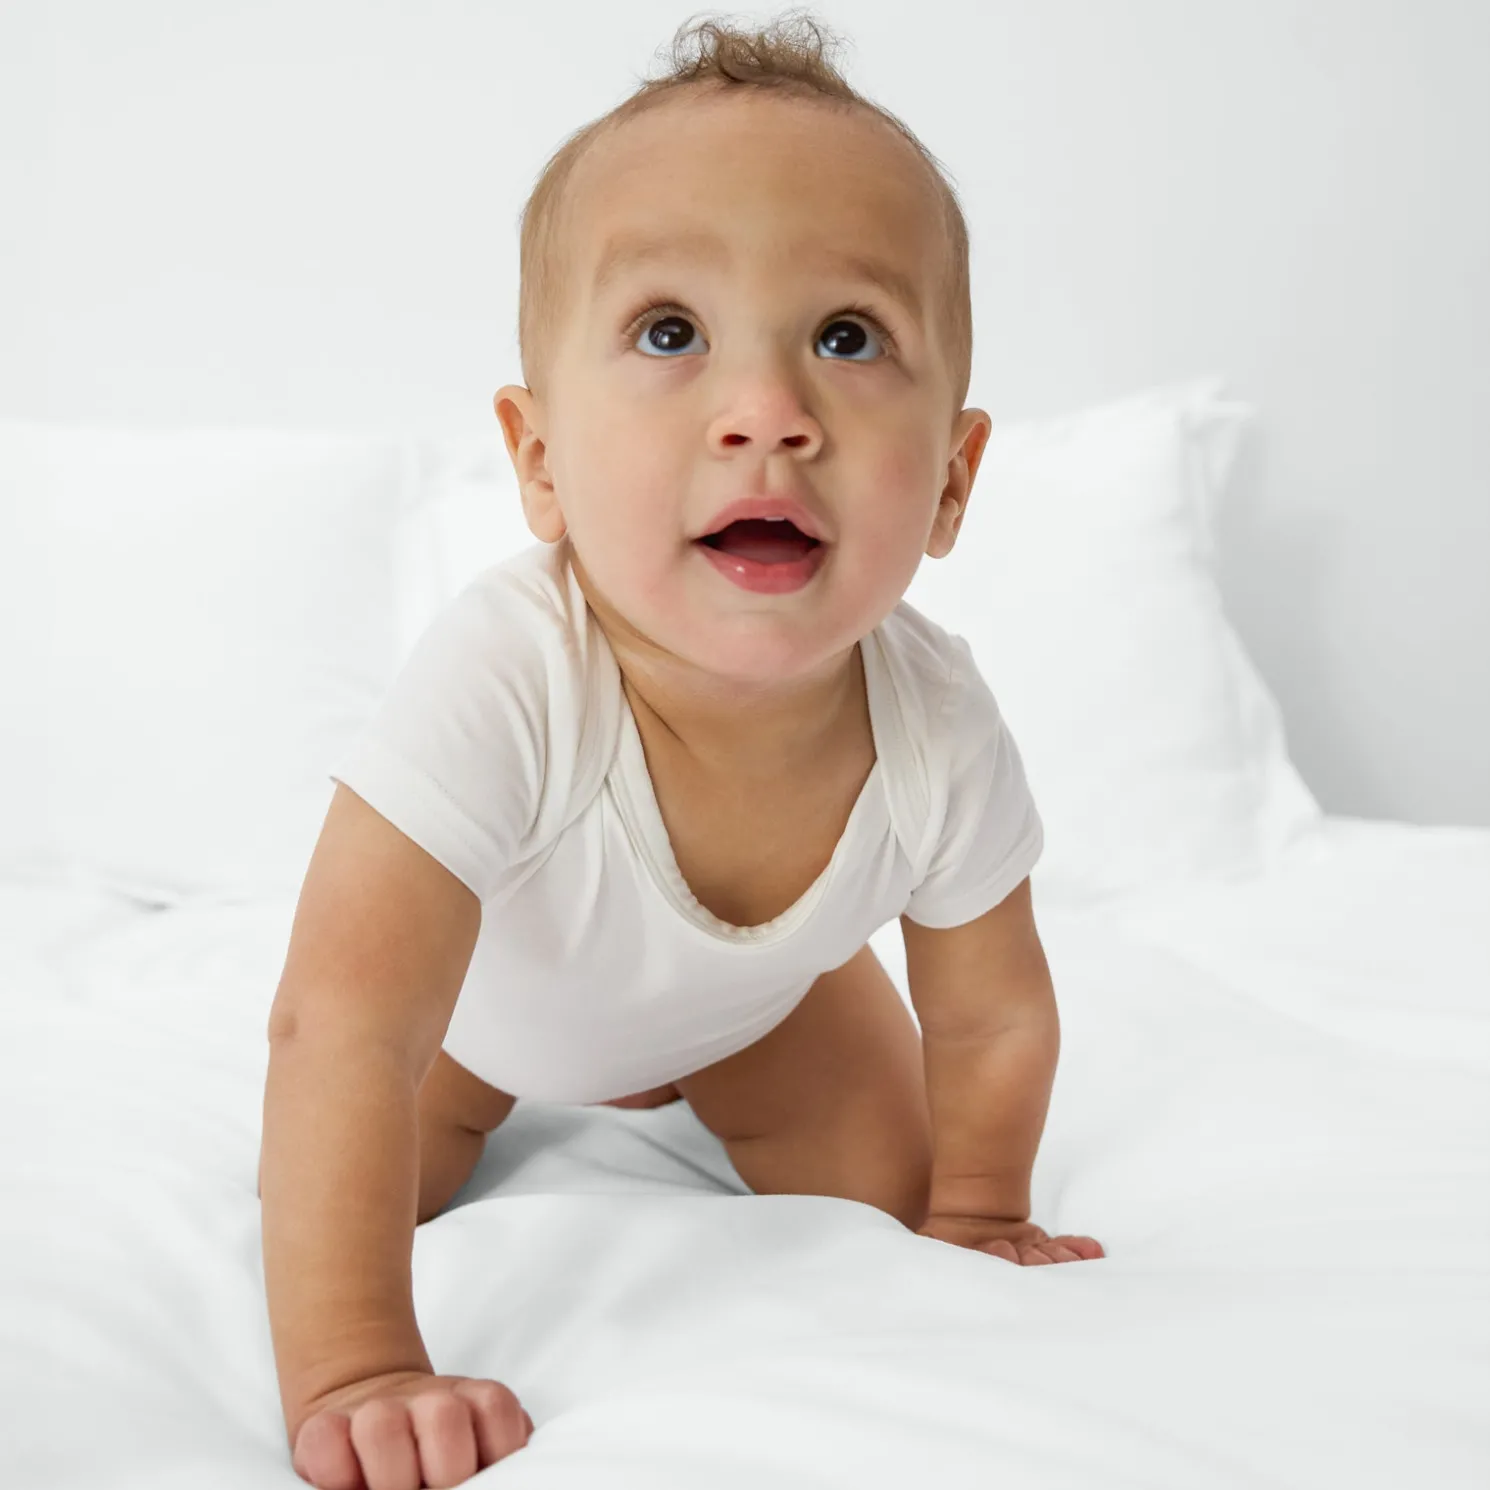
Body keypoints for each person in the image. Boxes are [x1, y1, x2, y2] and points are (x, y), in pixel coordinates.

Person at [258, 13, 1103, 1489]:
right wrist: (360, 1360)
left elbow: (990, 1017)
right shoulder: (509, 672)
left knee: (892, 1199)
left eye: (847, 337)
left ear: (954, 479)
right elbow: (339, 1026)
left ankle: (767, 1109)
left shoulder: (937, 719)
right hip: (474, 1027)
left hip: (755, 1010)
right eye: (670, 334)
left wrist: (980, 1210)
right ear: (538, 460)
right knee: (363, 1171)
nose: (766, 415)